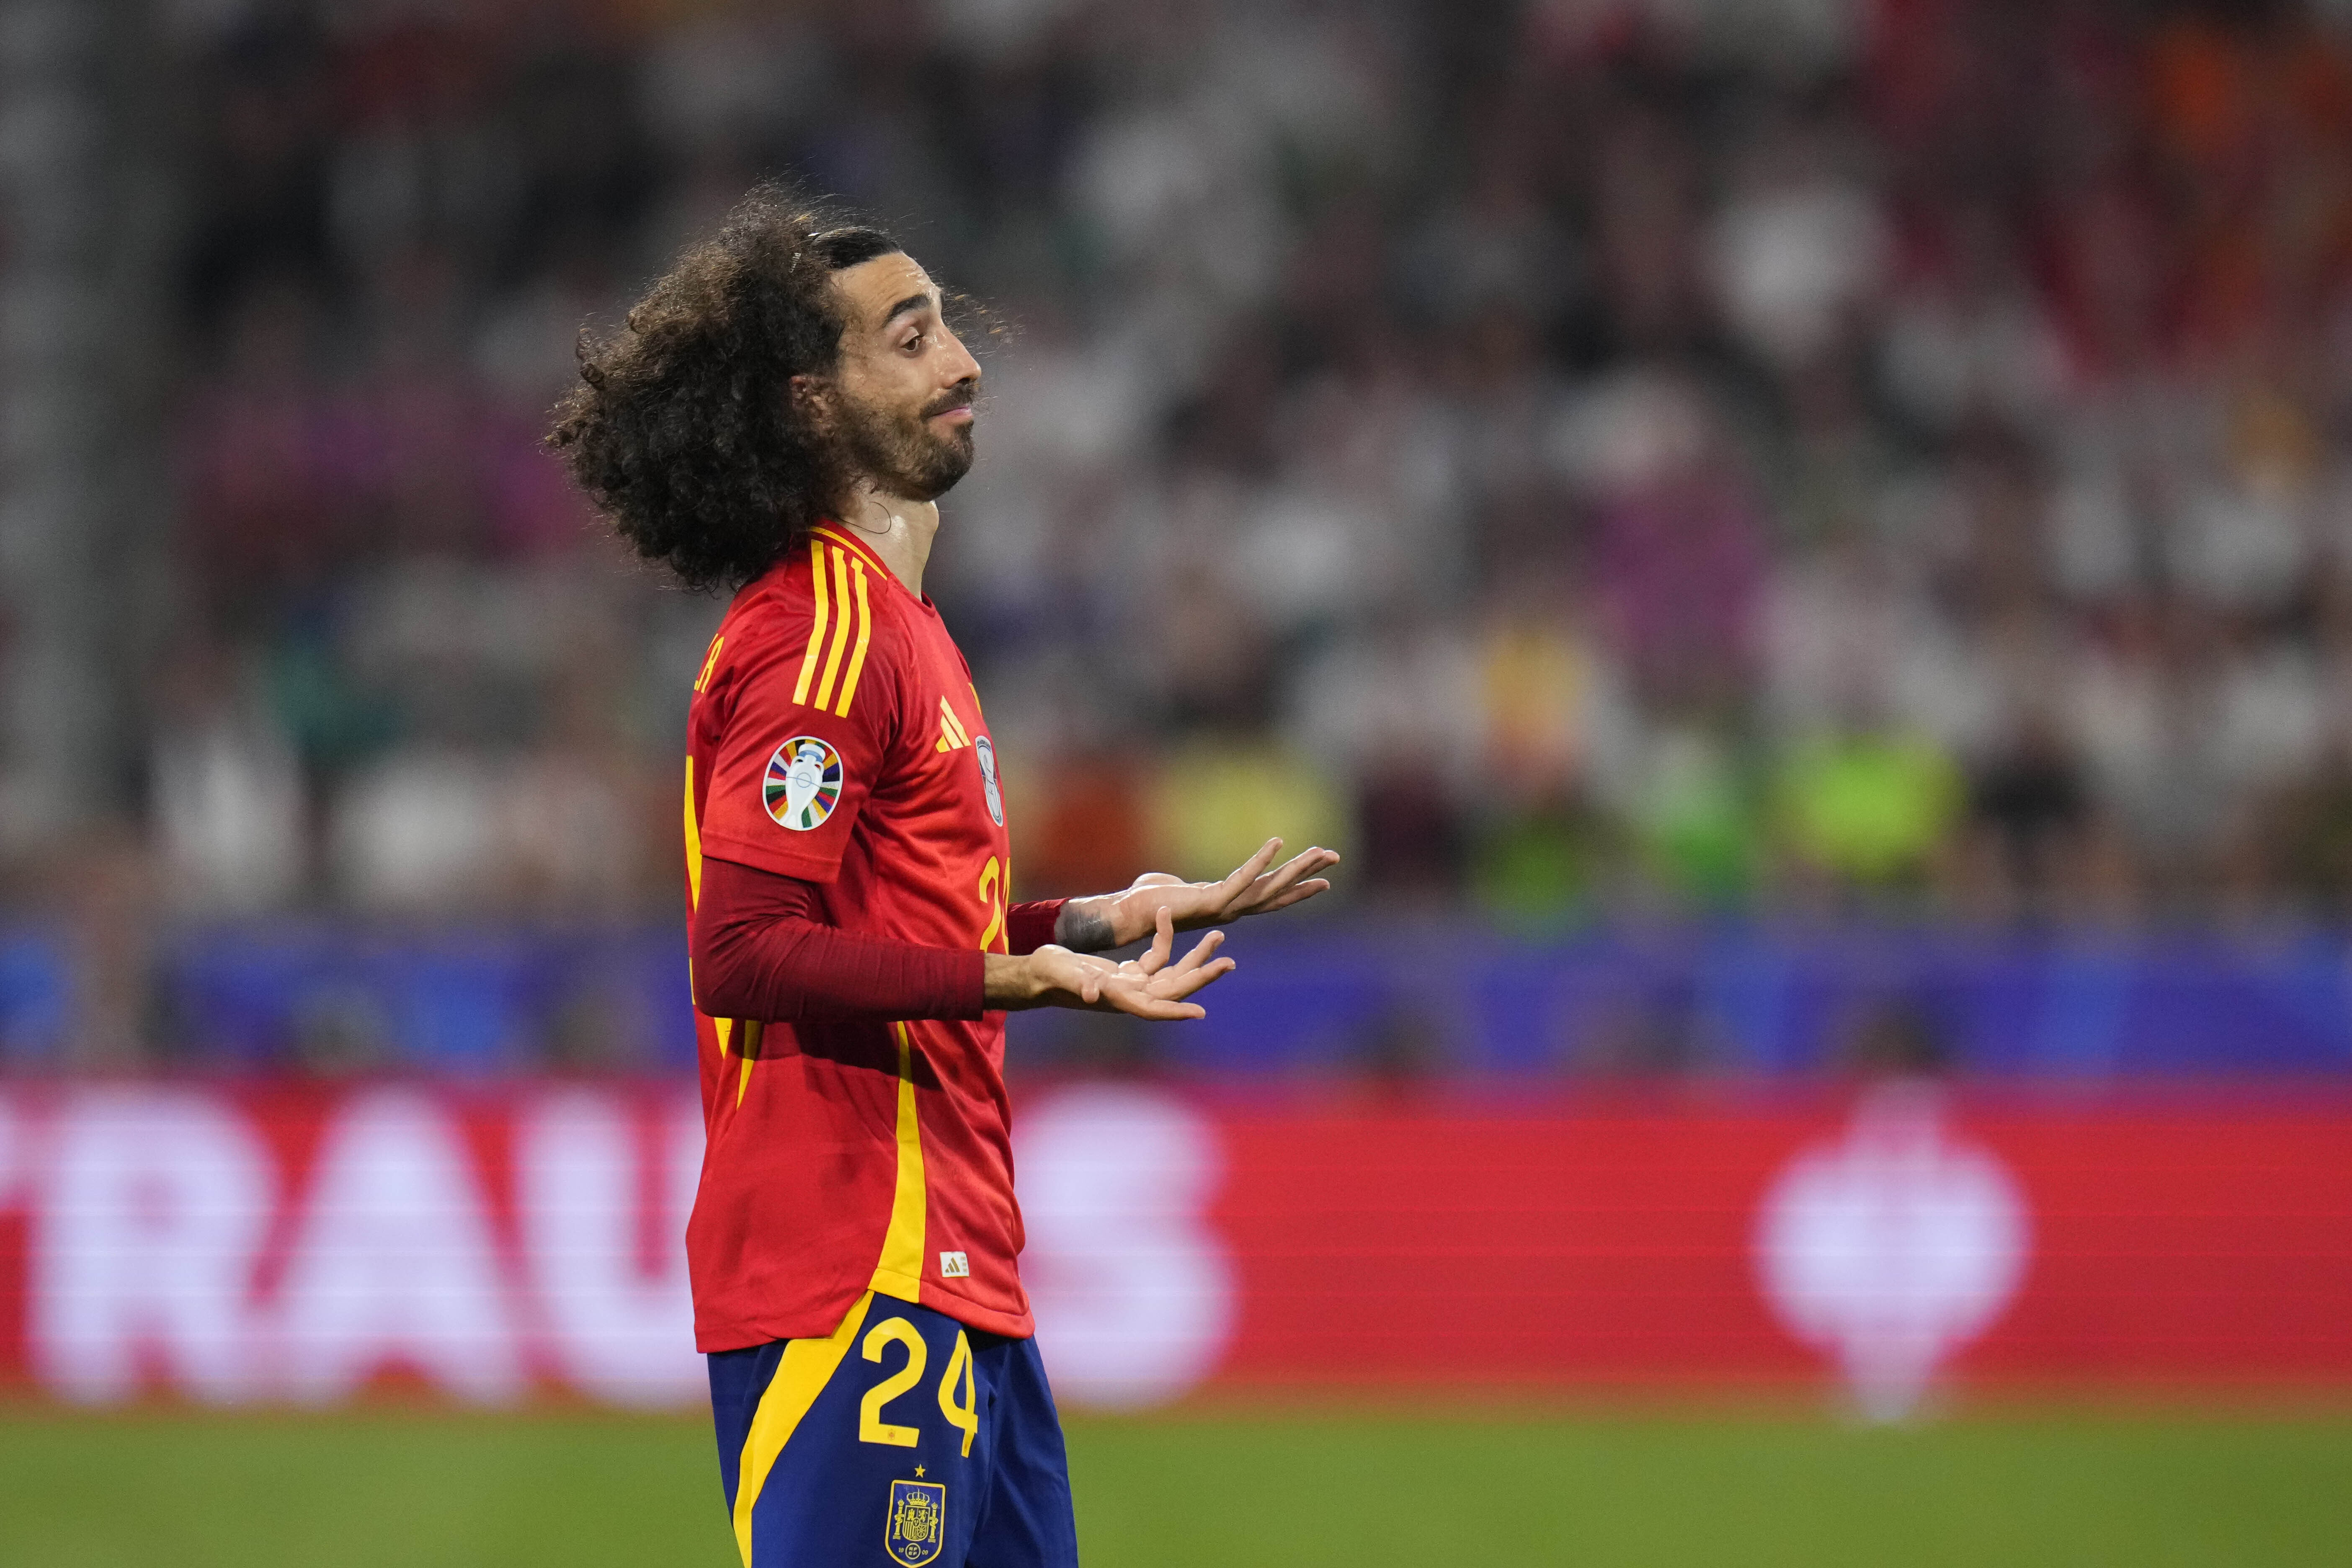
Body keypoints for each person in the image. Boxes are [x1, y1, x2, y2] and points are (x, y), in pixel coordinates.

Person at [550, 186, 1338, 1568]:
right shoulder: (824, 631)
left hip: (960, 1263)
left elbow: (900, 923)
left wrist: (1084, 922)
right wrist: (1019, 973)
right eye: (908, 340)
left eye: (947, 333)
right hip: (857, 1267)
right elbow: (741, 952)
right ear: (810, 403)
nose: (965, 362)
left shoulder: (906, 634)